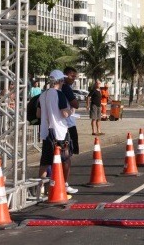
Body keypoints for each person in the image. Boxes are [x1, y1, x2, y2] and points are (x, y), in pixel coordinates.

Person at [36, 70, 74, 191]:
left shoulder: (43, 95)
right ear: (60, 81)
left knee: (45, 162)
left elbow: (38, 114)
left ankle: (40, 188)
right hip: (60, 132)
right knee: (65, 159)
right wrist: (70, 111)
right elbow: (64, 113)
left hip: (46, 132)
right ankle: (63, 185)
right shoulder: (59, 94)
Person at [60, 66, 80, 194]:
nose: (74, 78)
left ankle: (55, 181)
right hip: (67, 125)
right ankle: (64, 183)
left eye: (75, 76)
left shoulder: (50, 91)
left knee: (56, 156)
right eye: (72, 76)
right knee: (66, 156)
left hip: (57, 126)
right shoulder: (65, 88)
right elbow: (75, 104)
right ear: (65, 75)